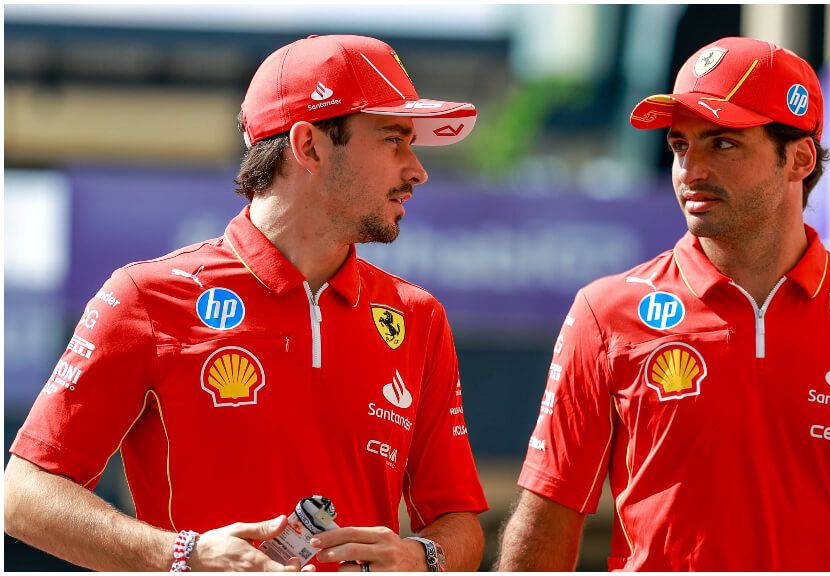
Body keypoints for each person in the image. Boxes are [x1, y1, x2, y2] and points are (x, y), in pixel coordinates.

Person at [497, 36, 830, 571]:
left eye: (721, 143)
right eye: (680, 145)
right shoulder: (605, 312)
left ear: (798, 158)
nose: (690, 170)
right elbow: (548, 517)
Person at [5, 34, 487, 572]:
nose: (416, 170)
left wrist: (421, 557)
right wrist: (180, 556)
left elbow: (458, 522)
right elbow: (22, 494)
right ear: (309, 146)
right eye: (394, 140)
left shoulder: (418, 317)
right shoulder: (145, 297)